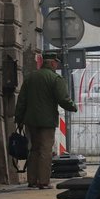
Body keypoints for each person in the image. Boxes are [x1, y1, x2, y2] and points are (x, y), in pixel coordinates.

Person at [14, 51, 77, 189]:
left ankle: (32, 181)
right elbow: (63, 99)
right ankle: (43, 181)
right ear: (53, 62)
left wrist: (18, 118)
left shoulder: (30, 78)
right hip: (47, 122)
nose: (57, 66)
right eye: (57, 63)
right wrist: (73, 107)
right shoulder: (55, 79)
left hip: (30, 121)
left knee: (34, 149)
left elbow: (21, 100)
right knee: (45, 150)